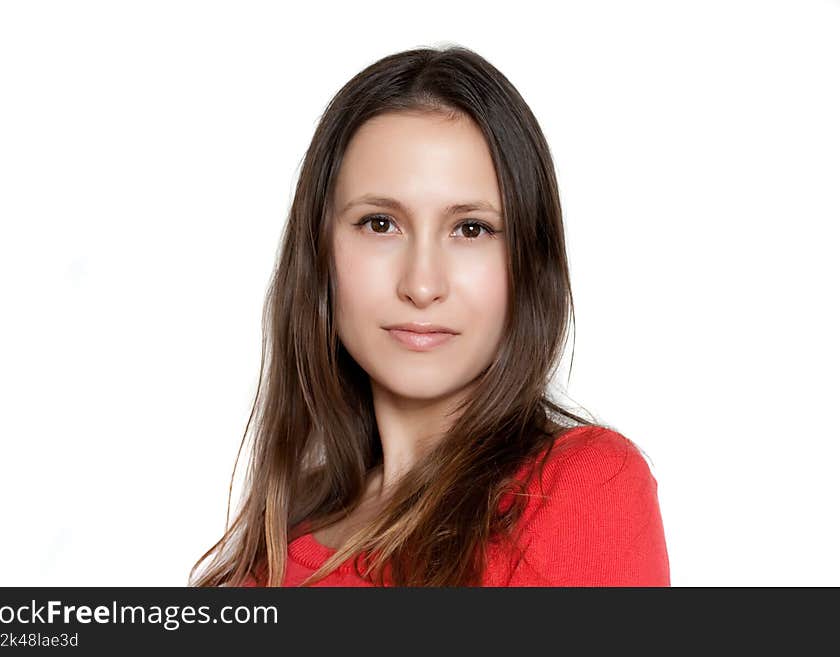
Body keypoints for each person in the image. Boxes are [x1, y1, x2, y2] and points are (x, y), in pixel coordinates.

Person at [188, 44, 670, 587]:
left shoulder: (579, 486)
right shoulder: (275, 544)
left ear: (529, 263)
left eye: (471, 229)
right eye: (379, 224)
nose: (421, 285)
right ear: (320, 253)